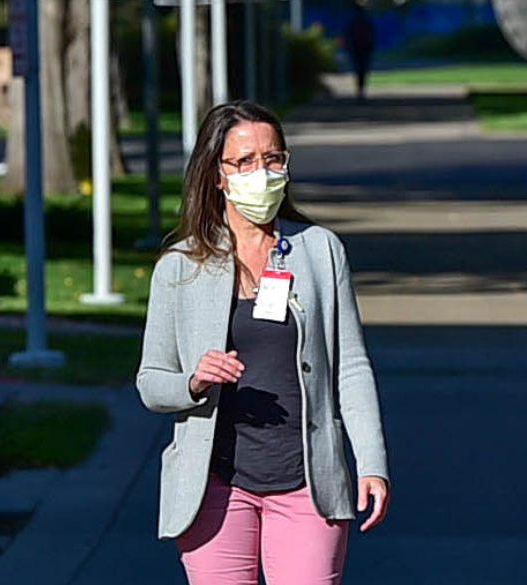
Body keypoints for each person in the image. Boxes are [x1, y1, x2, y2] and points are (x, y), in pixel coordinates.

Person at [137, 101, 390, 585]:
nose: (263, 172)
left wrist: (372, 463)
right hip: (214, 486)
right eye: (246, 161)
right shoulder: (180, 266)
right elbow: (151, 382)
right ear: (216, 174)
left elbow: (351, 367)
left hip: (307, 483)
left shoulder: (320, 250)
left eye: (274, 159)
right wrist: (193, 381)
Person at [345, 1, 376, 102]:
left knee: (359, 70)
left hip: (359, 48)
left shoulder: (353, 20)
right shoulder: (364, 19)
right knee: (362, 70)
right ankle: (360, 91)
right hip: (362, 49)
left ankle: (360, 91)